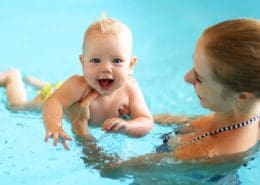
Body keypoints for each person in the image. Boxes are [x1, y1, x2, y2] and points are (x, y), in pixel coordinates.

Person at [78, 18, 260, 176]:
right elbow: (190, 122)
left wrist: (80, 127)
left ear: (243, 96)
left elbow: (110, 170)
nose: (187, 78)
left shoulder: (203, 152)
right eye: (193, 66)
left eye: (199, 77)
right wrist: (135, 117)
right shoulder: (247, 112)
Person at [42, 17, 154, 149]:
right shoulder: (78, 86)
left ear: (131, 65)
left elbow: (146, 121)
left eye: (117, 61)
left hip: (64, 92)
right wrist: (54, 125)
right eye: (95, 60)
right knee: (19, 106)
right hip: (51, 93)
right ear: (83, 63)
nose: (106, 68)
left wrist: (128, 127)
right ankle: (13, 79)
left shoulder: (130, 89)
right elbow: (53, 101)